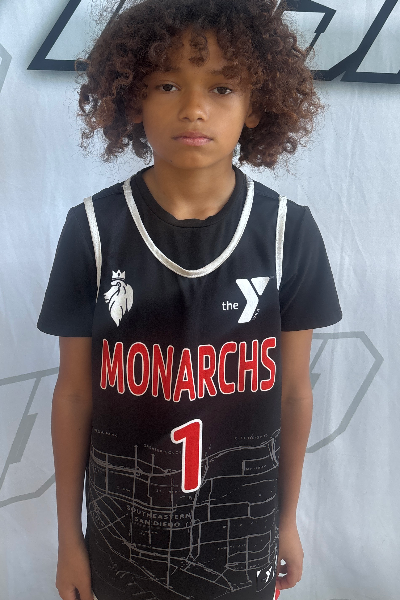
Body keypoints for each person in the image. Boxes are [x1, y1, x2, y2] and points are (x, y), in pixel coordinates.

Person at [37, 1, 342, 599]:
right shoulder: (92, 229)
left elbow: (292, 391)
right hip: (123, 539)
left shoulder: (289, 232)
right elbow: (73, 393)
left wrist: (285, 521)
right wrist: (69, 540)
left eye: (222, 87)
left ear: (257, 105)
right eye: (167, 84)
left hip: (242, 539)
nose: (194, 107)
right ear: (132, 98)